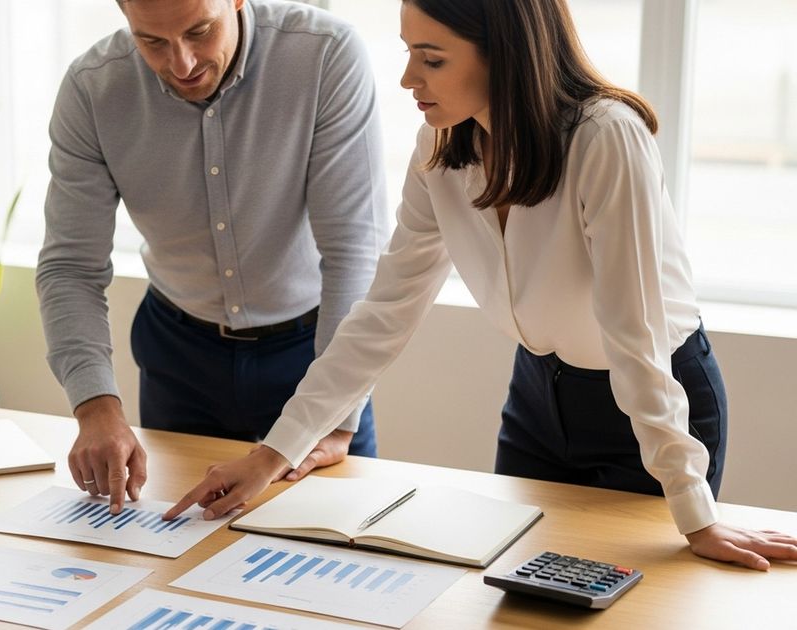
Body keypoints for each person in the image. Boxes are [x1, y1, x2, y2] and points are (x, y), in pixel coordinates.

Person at [165, 0, 797, 570]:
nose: (409, 79)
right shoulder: (439, 145)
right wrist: (274, 454)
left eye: (432, 59)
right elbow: (385, 310)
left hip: (652, 397)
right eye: (409, 53)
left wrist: (695, 508)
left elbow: (635, 339)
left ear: (506, 54)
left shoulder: (605, 138)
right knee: (512, 587)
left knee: (628, 605)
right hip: (537, 398)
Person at [36, 0, 389, 514]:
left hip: (313, 356)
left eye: (200, 31)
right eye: (152, 41)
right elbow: (70, 266)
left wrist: (332, 415)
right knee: (178, 553)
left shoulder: (325, 55)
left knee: (333, 548)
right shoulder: (93, 88)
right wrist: (95, 406)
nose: (182, 64)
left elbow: (354, 249)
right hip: (178, 358)